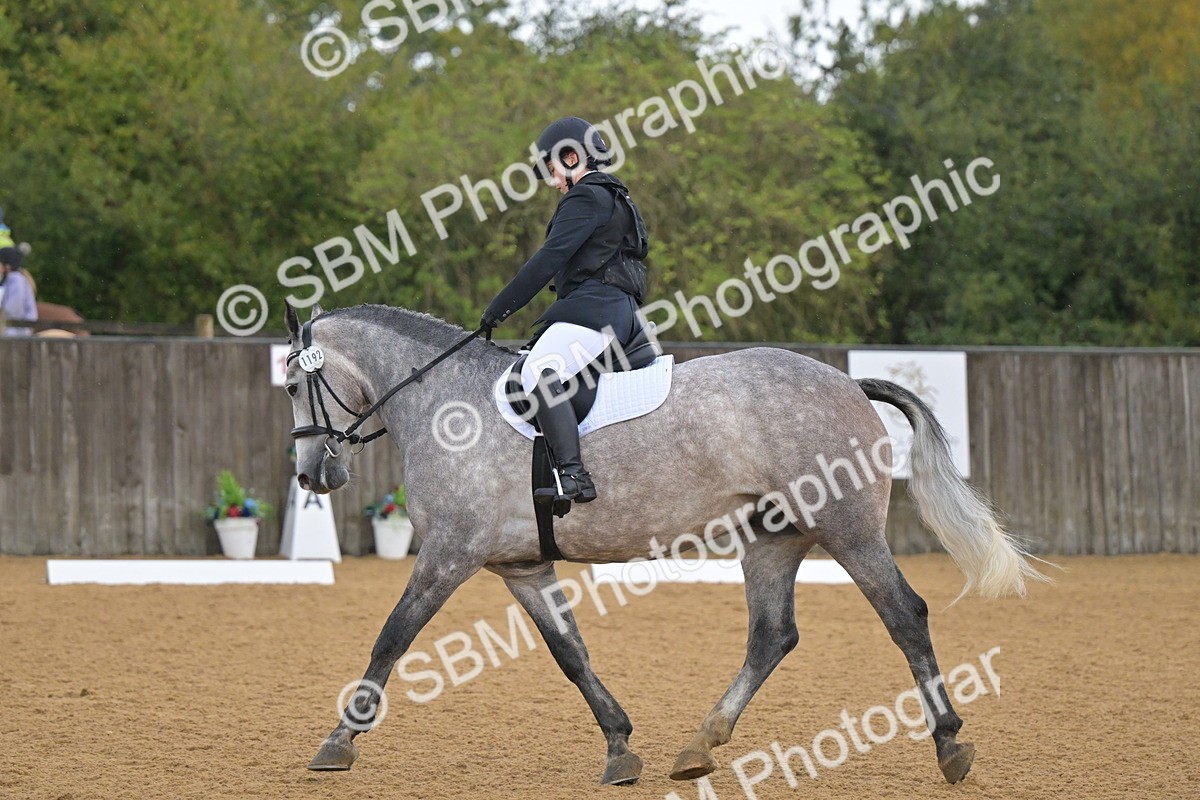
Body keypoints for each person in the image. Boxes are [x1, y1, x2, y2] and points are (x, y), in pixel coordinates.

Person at [481, 117, 650, 507]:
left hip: (597, 311)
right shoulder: (616, 197)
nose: (555, 183)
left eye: (555, 171)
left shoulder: (586, 196)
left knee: (540, 372)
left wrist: (498, 310)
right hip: (618, 312)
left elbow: (548, 260)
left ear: (572, 157)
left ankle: (574, 475)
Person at [0, 246, 37, 336]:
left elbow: (14, 311)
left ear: (8, 265)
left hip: (15, 332)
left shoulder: (16, 280)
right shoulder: (8, 280)